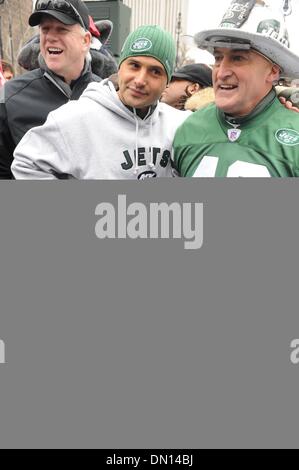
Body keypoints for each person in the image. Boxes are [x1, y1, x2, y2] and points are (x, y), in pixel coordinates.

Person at [12, 25, 190, 180]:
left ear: (167, 82)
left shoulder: (179, 125)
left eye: (155, 71)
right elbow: (26, 163)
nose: (140, 80)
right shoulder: (76, 117)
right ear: (120, 69)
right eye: (134, 65)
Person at [173, 0, 299, 177]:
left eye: (238, 58)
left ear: (272, 71)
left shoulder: (294, 136)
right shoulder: (188, 128)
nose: (221, 72)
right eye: (218, 58)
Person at [0, 0, 101, 179]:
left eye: (62, 29)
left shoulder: (106, 96)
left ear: (85, 41)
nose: (50, 37)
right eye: (45, 29)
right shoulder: (10, 98)